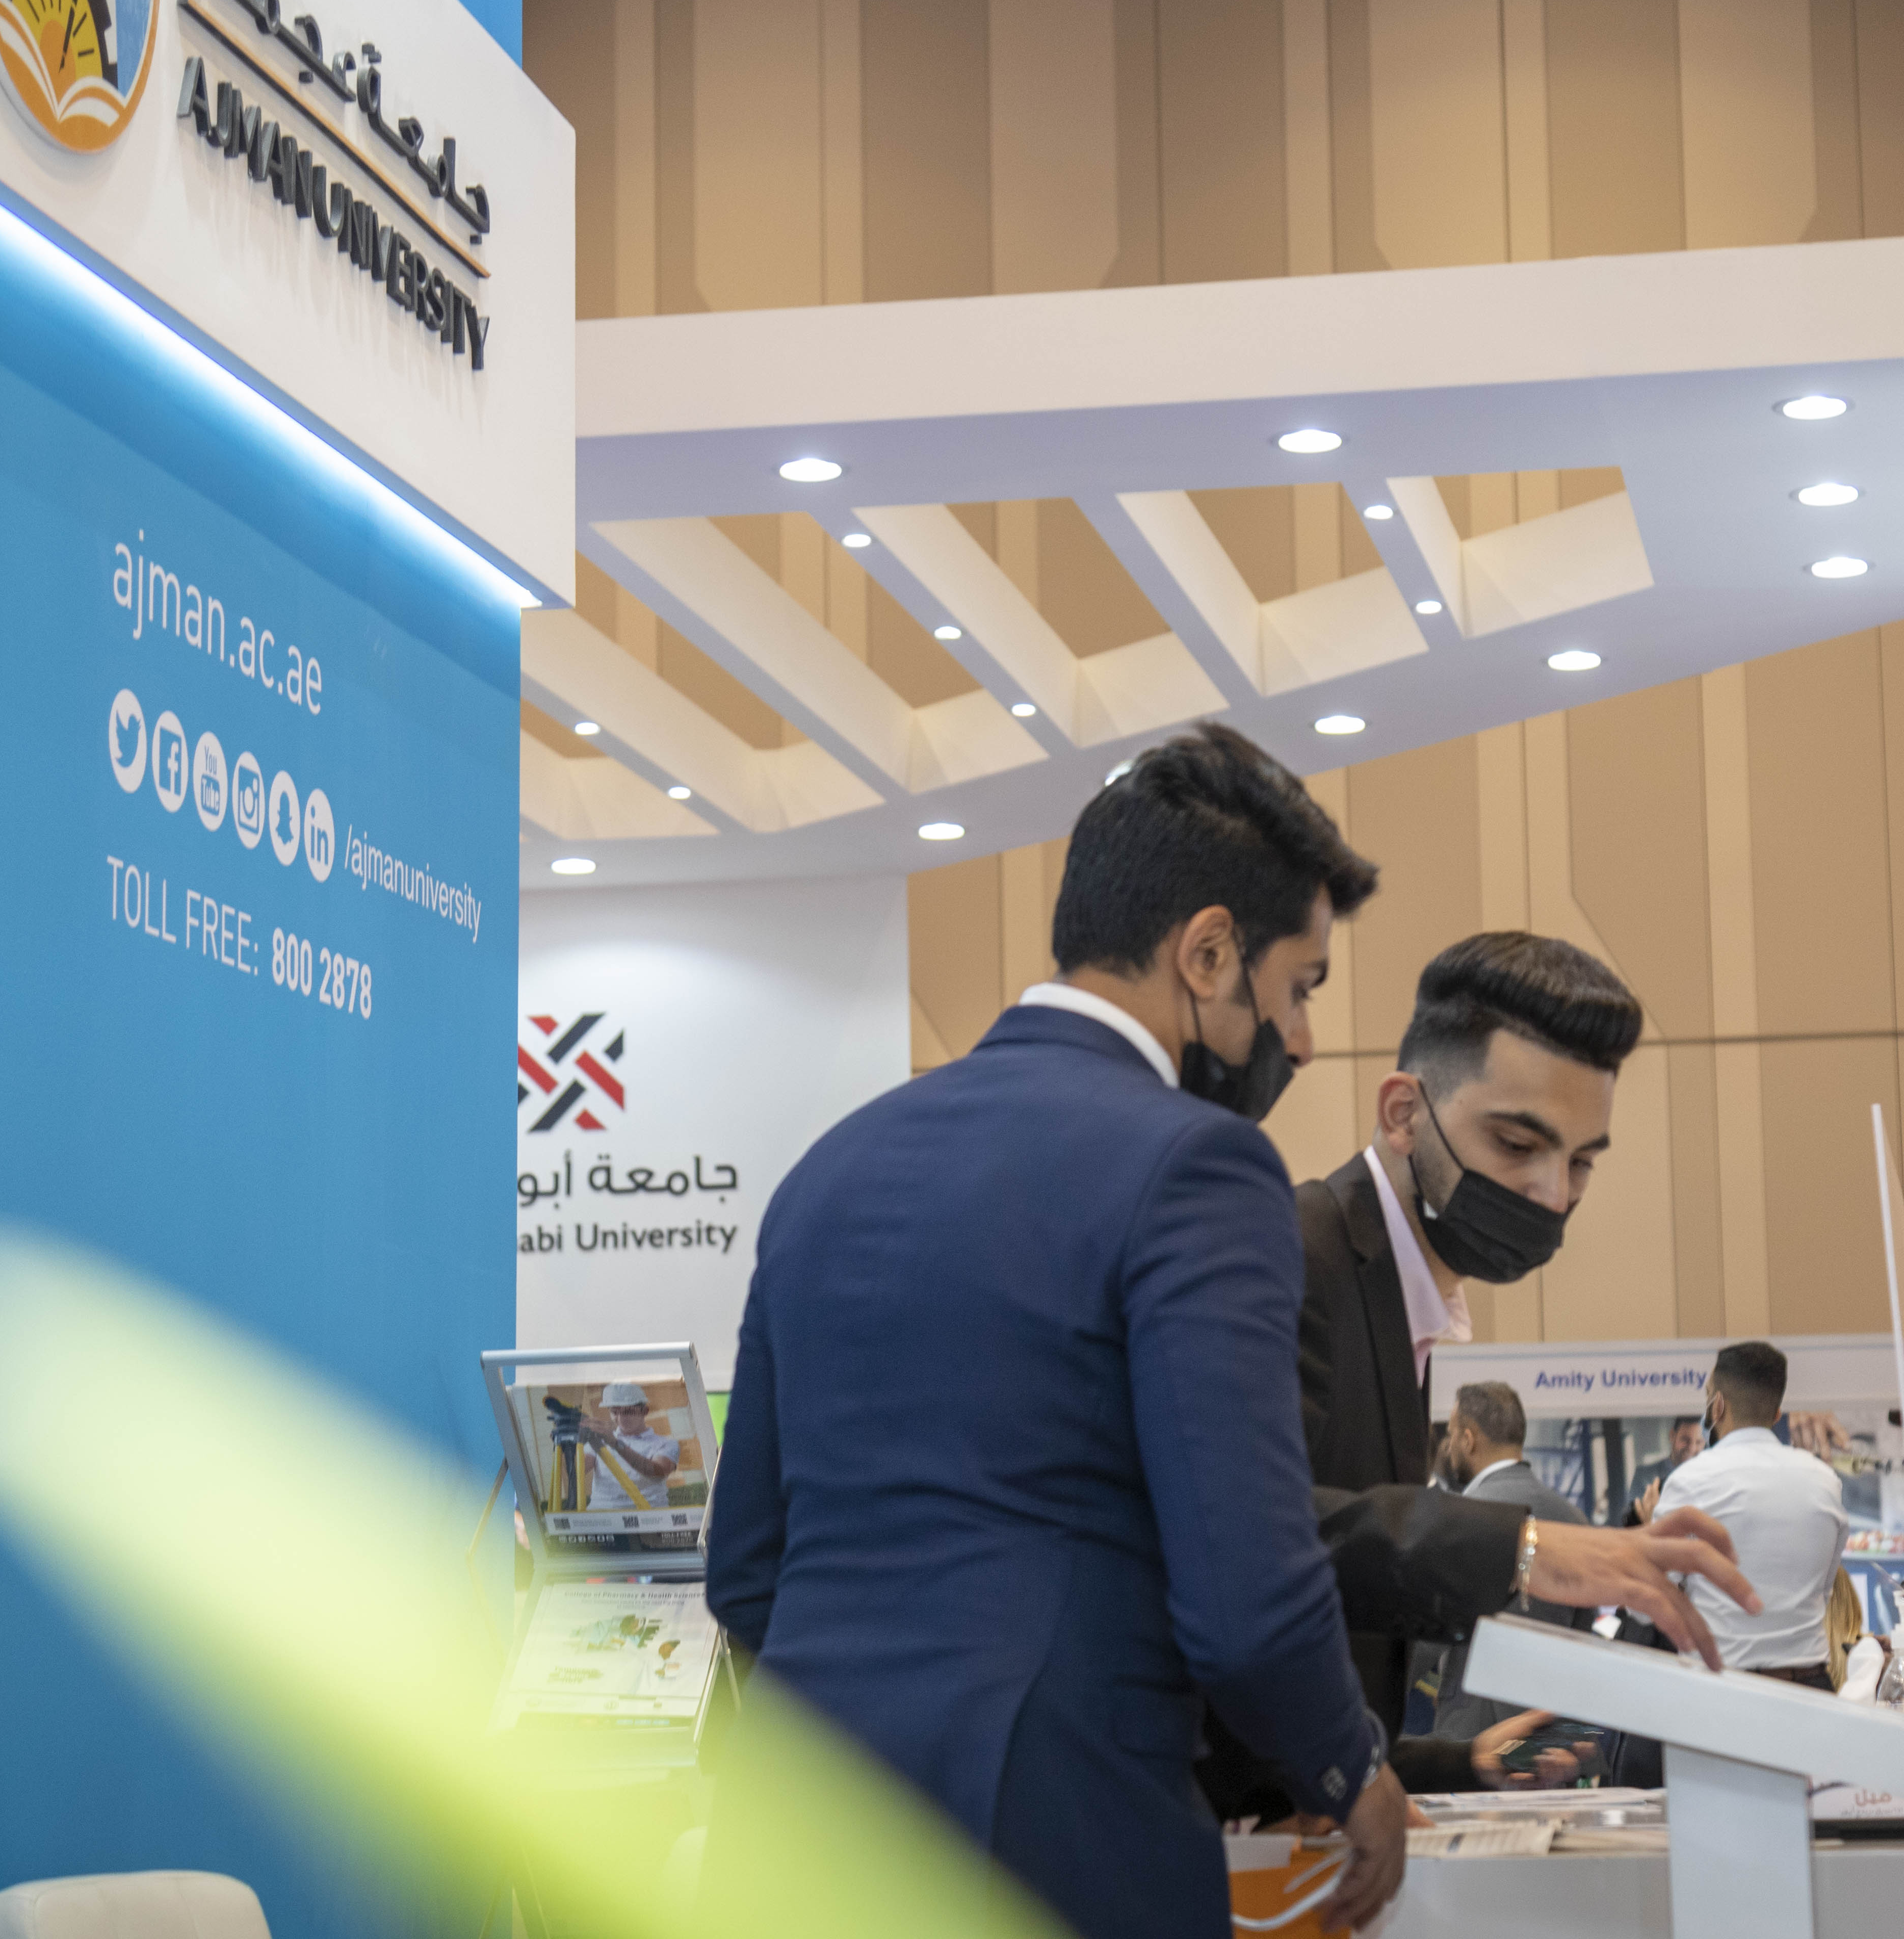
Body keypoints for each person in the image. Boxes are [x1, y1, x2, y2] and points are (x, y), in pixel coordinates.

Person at [707, 727, 1409, 1939]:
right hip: (1049, 1831)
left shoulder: (828, 1169)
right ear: (1207, 952)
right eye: (1299, 988)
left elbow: (746, 1570)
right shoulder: (1200, 1167)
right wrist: (1352, 1768)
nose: (1300, 1040)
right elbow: (1245, 1596)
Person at [1259, 930, 1757, 1805]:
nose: (1554, 1194)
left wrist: (1455, 1765)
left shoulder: (1395, 1303)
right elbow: (1251, 1540)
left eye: (1582, 1162)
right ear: (1403, 1114)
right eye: (1518, 1144)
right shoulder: (1291, 1255)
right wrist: (1525, 1549)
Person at [1656, 1342, 1850, 1689]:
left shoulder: (1689, 1481)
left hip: (1719, 1689)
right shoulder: (1825, 1482)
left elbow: (1653, 1596)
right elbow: (1824, 1592)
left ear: (1717, 1405)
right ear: (1777, 1414)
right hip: (1810, 1687)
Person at [1422, 1383, 1593, 1744]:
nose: (1448, 1446)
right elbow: (1583, 1629)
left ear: (1468, 1440)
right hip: (1555, 1736)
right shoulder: (1574, 1520)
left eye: (1451, 1434)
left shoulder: (1457, 1518)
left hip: (1477, 1737)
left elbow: (1428, 1636)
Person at [577, 1381, 680, 1511]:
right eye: (615, 1412)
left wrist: (615, 1444)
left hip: (648, 1517)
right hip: (602, 1516)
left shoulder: (666, 1444)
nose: (621, 1419)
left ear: (645, 1411)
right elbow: (577, 1472)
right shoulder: (599, 1440)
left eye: (629, 1412)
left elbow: (657, 1472)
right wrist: (573, 1441)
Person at [1622, 1416, 1702, 1526]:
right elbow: (1632, 1523)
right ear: (1672, 1436)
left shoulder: (1709, 1477)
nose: (1692, 1448)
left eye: (1699, 1442)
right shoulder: (1645, 1477)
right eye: (1685, 1440)